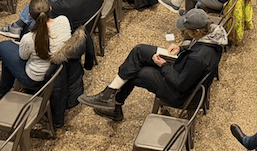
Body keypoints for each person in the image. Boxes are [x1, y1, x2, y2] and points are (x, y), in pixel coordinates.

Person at [78, 8, 225, 121]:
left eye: (187, 30)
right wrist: (182, 48)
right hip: (183, 68)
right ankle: (108, 93)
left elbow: (181, 84)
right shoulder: (212, 35)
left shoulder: (198, 58)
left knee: (136, 72)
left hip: (180, 93)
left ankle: (115, 107)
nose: (184, 32)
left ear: (198, 31)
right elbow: (196, 47)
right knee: (139, 51)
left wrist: (163, 65)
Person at [0, 0, 72, 98]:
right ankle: (1, 88)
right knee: (6, 53)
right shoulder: (64, 20)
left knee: (3, 46)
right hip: (59, 69)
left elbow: (23, 57)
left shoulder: (29, 38)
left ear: (30, 15)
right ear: (50, 9)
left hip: (36, 78)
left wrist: (22, 45)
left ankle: (1, 91)